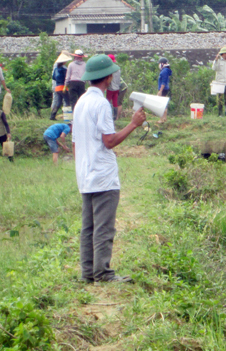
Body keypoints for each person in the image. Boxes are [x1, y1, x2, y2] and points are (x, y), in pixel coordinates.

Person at [72, 54, 146, 283]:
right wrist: (133, 124)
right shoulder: (102, 104)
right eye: (112, 74)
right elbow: (109, 141)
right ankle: (102, 273)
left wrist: (84, 166)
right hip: (103, 176)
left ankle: (88, 272)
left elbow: (75, 144)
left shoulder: (81, 102)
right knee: (104, 228)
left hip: (85, 174)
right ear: (107, 78)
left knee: (88, 228)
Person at [212, 47, 226, 116]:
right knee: (220, 99)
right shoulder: (218, 60)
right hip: (220, 83)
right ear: (223, 54)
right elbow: (214, 68)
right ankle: (220, 114)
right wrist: (216, 60)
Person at [50, 51, 72, 120]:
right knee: (67, 101)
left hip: (57, 87)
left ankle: (52, 116)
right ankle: (68, 117)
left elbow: (53, 77)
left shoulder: (56, 68)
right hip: (63, 87)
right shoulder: (64, 69)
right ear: (64, 61)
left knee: (58, 102)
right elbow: (67, 77)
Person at [106, 54, 122, 120]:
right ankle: (115, 117)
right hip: (117, 88)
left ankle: (108, 115)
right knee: (115, 103)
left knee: (107, 102)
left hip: (110, 88)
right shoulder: (118, 69)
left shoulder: (109, 69)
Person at [156, 57, 171, 123]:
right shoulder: (165, 70)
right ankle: (164, 118)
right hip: (165, 89)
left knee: (161, 104)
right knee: (164, 104)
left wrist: (160, 91)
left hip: (163, 89)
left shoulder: (164, 71)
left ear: (162, 64)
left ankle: (162, 119)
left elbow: (163, 82)